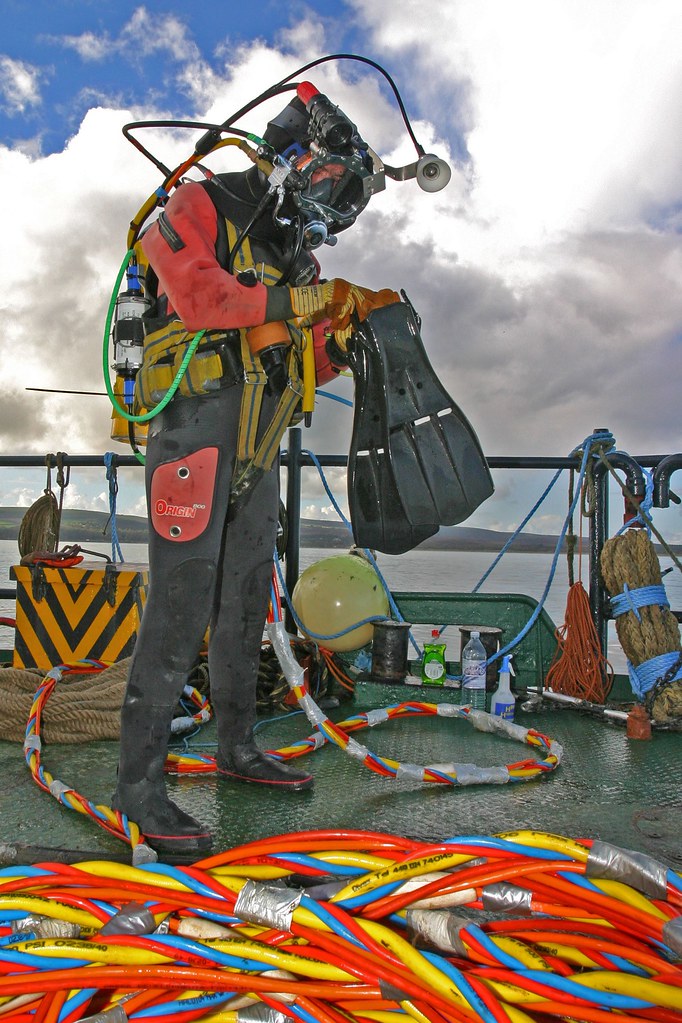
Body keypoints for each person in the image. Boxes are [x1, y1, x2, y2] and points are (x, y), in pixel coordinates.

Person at [112, 83, 399, 857]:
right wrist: (316, 296)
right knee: (178, 607)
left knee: (244, 603)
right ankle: (137, 789)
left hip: (256, 444)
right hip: (193, 435)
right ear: (297, 158)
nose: (328, 214)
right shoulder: (197, 206)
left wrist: (347, 339)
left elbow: (295, 354)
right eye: (330, 189)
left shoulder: (290, 252)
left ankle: (235, 747)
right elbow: (203, 300)